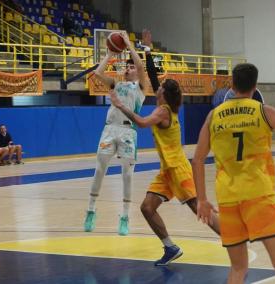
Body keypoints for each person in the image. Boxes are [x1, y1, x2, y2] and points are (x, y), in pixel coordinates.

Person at [109, 29, 220, 265]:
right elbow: (153, 75)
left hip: (178, 168)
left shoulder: (162, 111)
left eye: (159, 88)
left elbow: (139, 122)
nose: (156, 87)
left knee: (198, 208)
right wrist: (147, 49)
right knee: (147, 208)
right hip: (167, 171)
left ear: (163, 94)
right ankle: (170, 248)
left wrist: (120, 105)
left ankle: (232, 238)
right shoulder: (167, 105)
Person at [192, 63, 275, 283]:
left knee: (238, 269)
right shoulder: (264, 112)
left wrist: (202, 199)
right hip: (259, 197)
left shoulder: (213, 116)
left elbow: (197, 159)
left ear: (232, 85)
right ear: (255, 86)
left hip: (228, 200)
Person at [84, 32, 146, 236]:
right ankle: (91, 210)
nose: (128, 68)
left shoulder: (141, 87)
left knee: (127, 176)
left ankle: (125, 217)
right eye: (126, 66)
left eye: (130, 67)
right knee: (99, 169)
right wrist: (109, 54)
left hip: (128, 131)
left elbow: (141, 66)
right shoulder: (115, 84)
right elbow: (97, 73)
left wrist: (128, 44)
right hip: (110, 129)